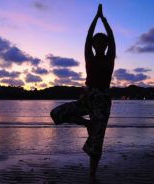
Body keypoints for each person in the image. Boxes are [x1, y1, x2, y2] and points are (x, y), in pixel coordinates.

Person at [50, 4, 115, 177]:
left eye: (103, 42)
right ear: (93, 45)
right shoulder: (89, 57)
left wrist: (104, 20)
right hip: (88, 96)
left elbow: (111, 37)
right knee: (57, 112)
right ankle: (87, 123)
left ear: (106, 45)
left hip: (102, 99)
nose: (100, 43)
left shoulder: (110, 58)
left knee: (97, 140)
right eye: (97, 42)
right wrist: (96, 18)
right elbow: (88, 37)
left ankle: (92, 175)